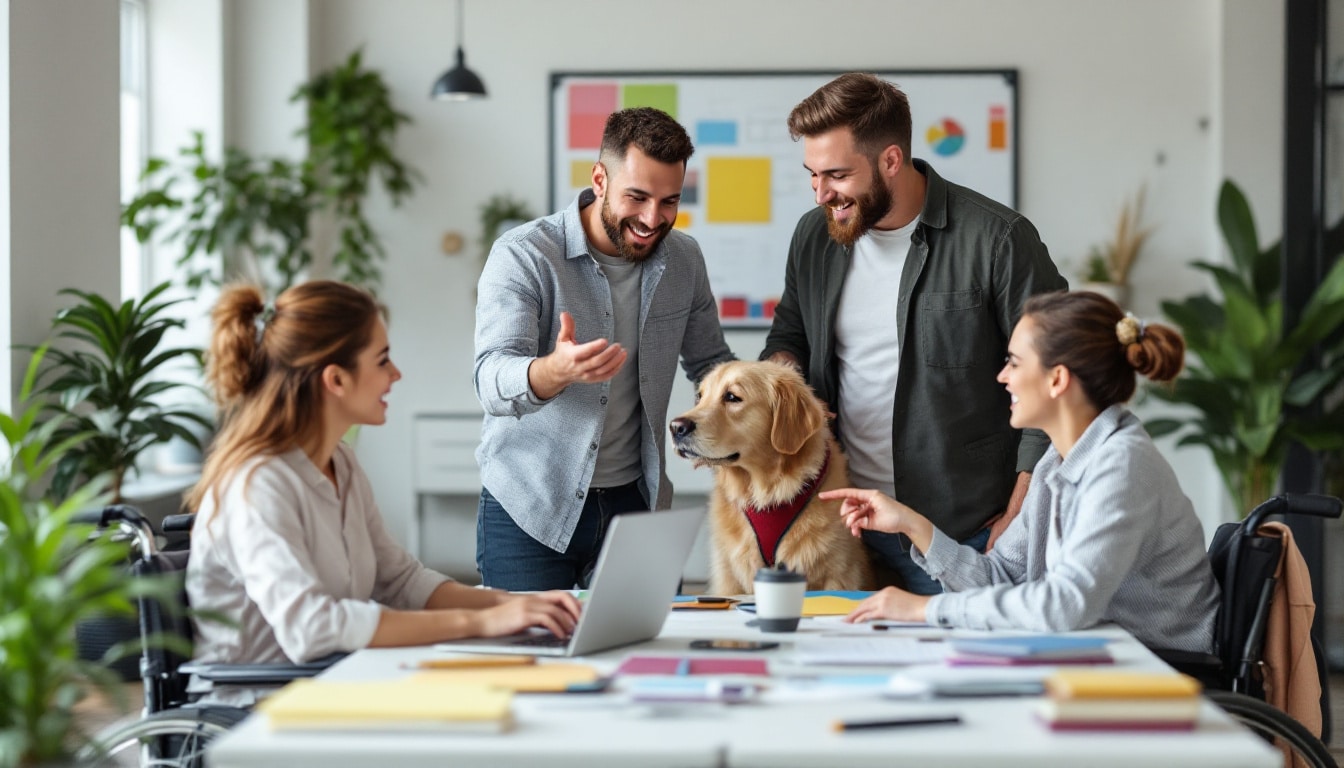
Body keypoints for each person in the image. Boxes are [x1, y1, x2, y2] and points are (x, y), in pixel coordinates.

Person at [185, 281, 581, 704]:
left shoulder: (341, 463)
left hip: (332, 684)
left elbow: (400, 581)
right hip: (255, 710)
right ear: (335, 379)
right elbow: (311, 628)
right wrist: (480, 622)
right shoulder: (257, 484)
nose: (395, 374)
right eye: (382, 360)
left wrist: (523, 606)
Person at [761, 73, 1068, 596]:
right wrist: (789, 381)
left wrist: (1021, 508)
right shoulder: (814, 236)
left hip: (965, 534)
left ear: (890, 160)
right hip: (844, 523)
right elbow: (791, 331)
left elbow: (1058, 376)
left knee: (961, 677)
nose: (821, 194)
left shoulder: (998, 240)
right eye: (812, 175)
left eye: (836, 174)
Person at [821, 291, 1219, 653]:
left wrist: (926, 609)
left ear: (1057, 379)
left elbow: (1064, 605)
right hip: (1100, 655)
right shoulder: (1057, 461)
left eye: (1013, 362)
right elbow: (1001, 576)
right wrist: (912, 525)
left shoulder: (1122, 465)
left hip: (1163, 669)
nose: (1002, 376)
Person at [474, 107, 734, 591]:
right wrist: (552, 372)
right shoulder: (524, 255)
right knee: (531, 661)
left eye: (669, 201)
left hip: (637, 505)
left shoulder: (684, 259)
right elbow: (491, 379)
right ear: (600, 178)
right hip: (531, 506)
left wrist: (770, 396)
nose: (653, 218)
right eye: (637, 197)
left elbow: (711, 364)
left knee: (645, 656)